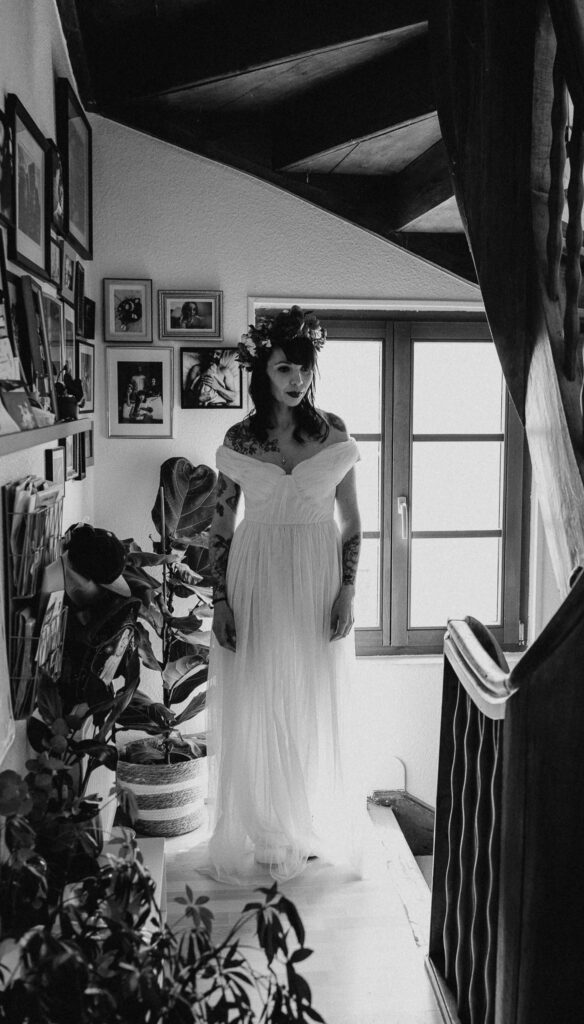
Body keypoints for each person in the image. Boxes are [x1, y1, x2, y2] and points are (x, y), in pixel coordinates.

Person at [205, 306, 363, 883]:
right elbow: (221, 525)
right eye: (284, 369)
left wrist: (347, 591)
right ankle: (268, 825)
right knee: (261, 690)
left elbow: (353, 523)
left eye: (304, 369)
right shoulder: (239, 438)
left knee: (311, 690)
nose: (297, 381)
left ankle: (308, 818)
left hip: (318, 571)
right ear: (262, 372)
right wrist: (218, 600)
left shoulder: (333, 433)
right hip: (257, 569)